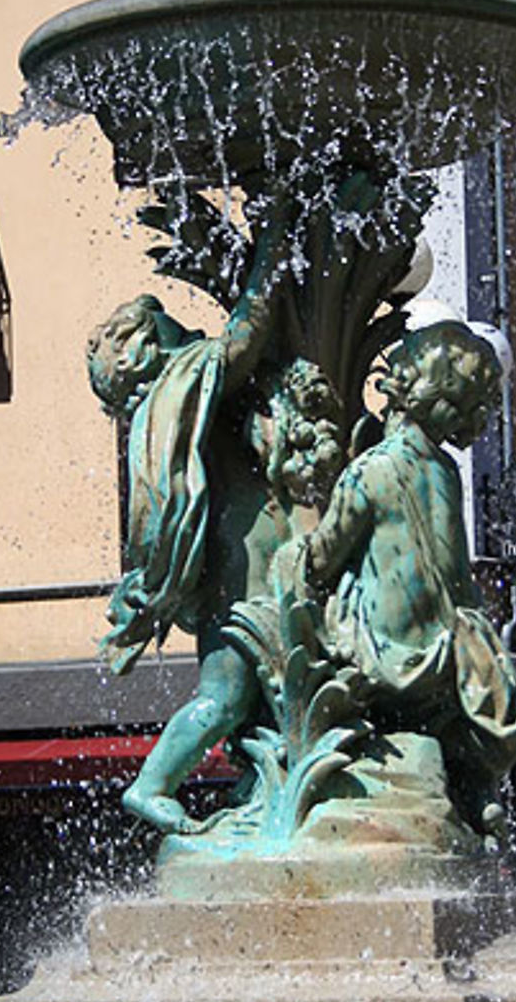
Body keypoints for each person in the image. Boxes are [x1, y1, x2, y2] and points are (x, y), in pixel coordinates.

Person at [87, 217, 343, 833]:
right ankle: (154, 783)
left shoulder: (163, 407)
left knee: (244, 690)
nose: (184, 327)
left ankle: (248, 784)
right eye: (167, 323)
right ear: (149, 348)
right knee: (238, 687)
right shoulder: (183, 380)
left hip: (238, 552)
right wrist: (273, 254)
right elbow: (244, 339)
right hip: (245, 556)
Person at [301, 311, 516, 838]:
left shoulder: (371, 470)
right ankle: (473, 790)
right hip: (450, 652)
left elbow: (321, 559)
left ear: (402, 386)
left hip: (386, 653)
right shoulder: (445, 472)